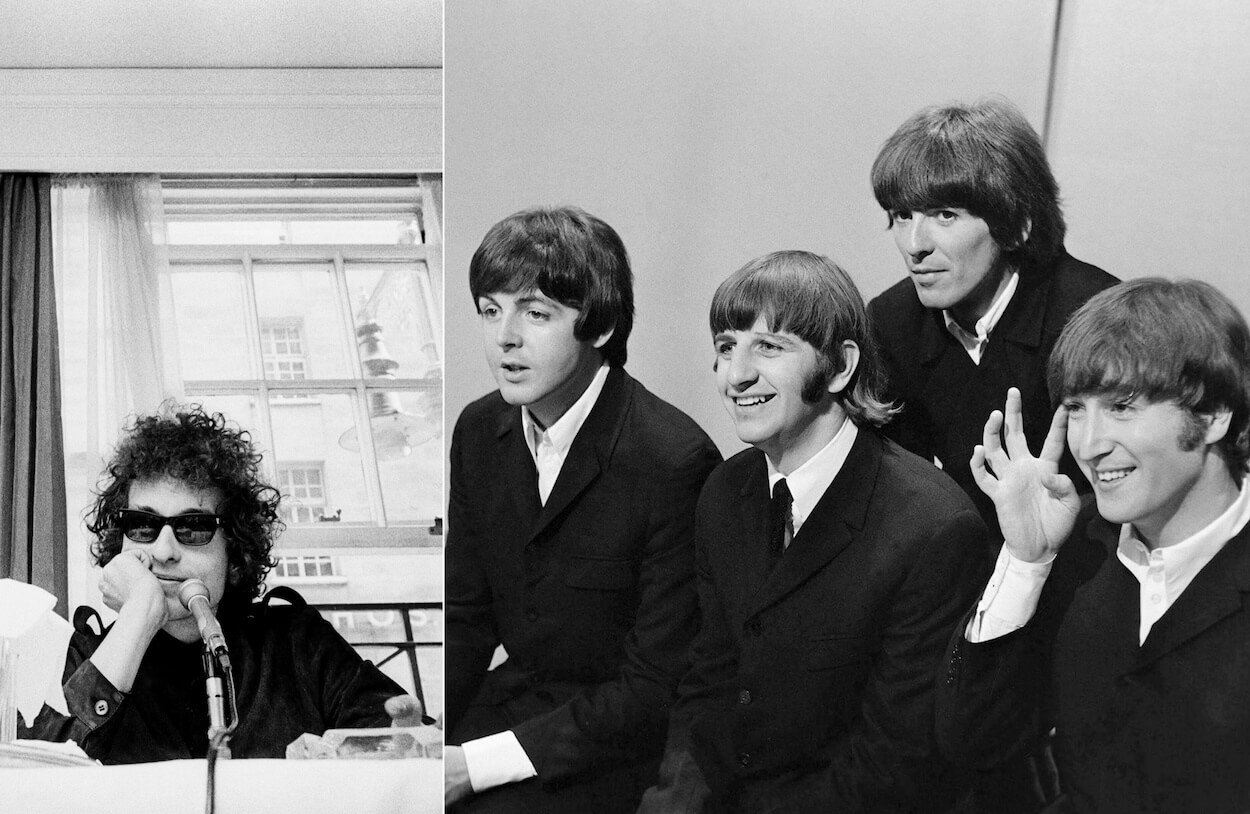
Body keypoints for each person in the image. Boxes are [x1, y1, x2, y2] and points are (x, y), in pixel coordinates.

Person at [639, 250, 988, 813]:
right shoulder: (725, 491)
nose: (736, 375)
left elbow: (894, 767)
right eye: (726, 348)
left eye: (769, 347)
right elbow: (708, 686)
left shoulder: (932, 528)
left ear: (841, 367)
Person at [444, 206, 721, 812]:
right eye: (491, 311)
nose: (504, 338)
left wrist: (472, 766)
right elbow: (466, 615)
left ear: (598, 327)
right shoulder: (477, 429)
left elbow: (652, 690)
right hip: (511, 705)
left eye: (535, 313)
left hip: (613, 745)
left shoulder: (674, 461)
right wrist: (428, 732)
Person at [938, 278, 1250, 813]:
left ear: (1214, 414)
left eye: (1123, 406)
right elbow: (970, 741)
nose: (1089, 444)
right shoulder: (1073, 542)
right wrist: (1025, 560)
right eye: (1077, 409)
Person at [19, 405, 418, 763]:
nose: (164, 550)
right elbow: (43, 775)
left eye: (193, 527)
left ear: (234, 553)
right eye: (143, 525)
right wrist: (140, 612)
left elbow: (396, 737)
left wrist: (392, 746)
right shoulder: (87, 654)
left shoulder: (298, 643)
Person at [867, 96, 1117, 542]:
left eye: (945, 215)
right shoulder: (891, 322)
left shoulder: (1095, 316)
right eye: (903, 216)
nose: (914, 245)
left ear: (1017, 223)